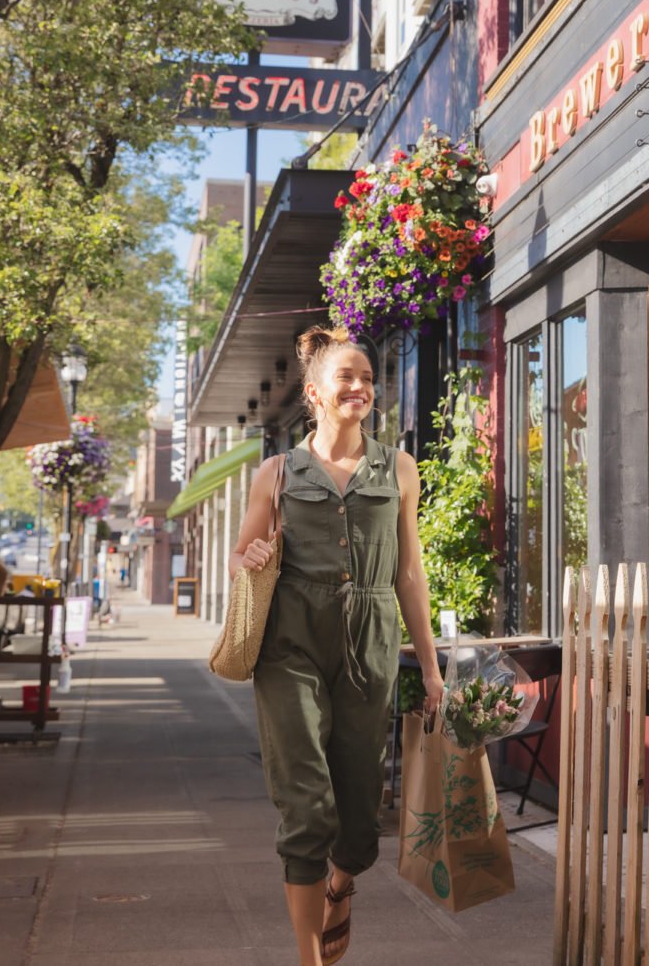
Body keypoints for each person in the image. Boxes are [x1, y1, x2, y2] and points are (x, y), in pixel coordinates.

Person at [229, 326, 444, 966]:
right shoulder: (277, 473)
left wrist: (430, 669)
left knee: (357, 809)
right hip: (289, 641)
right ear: (316, 392)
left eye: (368, 379)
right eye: (347, 378)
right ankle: (308, 958)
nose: (361, 388)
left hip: (371, 636)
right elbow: (242, 554)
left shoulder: (397, 468)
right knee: (305, 803)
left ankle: (342, 881)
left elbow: (410, 573)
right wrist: (254, 554)